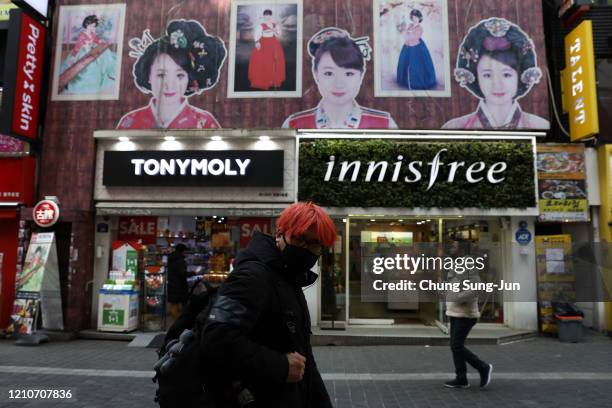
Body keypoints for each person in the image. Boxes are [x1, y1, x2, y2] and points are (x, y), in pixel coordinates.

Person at [201, 202, 337, 407]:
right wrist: (280, 365)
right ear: (280, 235)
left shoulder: (289, 278)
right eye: (300, 239)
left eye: (315, 243)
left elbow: (302, 355)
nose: (306, 249)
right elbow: (215, 339)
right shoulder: (252, 277)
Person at [117, 19, 226, 129]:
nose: (170, 85)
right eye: (161, 75)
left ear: (190, 78)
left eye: (180, 76)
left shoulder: (205, 122)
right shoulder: (129, 122)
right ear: (148, 75)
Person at [442, 17, 549, 129]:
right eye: (487, 75)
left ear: (519, 76)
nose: (497, 85)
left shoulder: (540, 126)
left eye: (507, 74)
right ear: (475, 77)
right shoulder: (454, 127)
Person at [283, 27, 397, 129]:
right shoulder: (294, 124)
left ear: (361, 75)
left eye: (348, 74)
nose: (339, 84)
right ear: (316, 74)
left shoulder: (385, 124)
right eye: (329, 73)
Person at [444, 240, 493, 389]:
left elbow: (476, 288)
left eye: (453, 246)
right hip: (456, 312)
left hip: (465, 314)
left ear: (461, 250)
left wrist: (457, 297)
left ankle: (483, 367)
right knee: (455, 346)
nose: (451, 248)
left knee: (456, 346)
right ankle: (461, 378)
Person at [59, 14, 117, 95]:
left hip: (91, 49)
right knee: (88, 66)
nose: (92, 28)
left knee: (105, 52)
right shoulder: (82, 36)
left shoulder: (92, 33)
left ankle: (109, 70)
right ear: (86, 25)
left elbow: (96, 39)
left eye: (94, 26)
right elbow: (77, 47)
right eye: (91, 26)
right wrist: (73, 57)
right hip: (83, 52)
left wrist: (100, 41)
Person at [396, 9, 437, 90]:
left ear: (419, 18)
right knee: (404, 62)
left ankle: (416, 82)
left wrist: (405, 33)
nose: (415, 19)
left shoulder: (419, 28)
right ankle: (404, 80)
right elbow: (407, 35)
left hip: (416, 47)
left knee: (416, 64)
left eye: (416, 17)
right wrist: (404, 31)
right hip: (407, 46)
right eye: (413, 17)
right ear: (411, 17)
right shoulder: (410, 25)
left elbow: (413, 37)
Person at [248, 9, 286, 90]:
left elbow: (279, 35)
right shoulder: (261, 25)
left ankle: (272, 80)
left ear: (271, 16)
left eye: (269, 15)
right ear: (264, 16)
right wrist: (257, 42)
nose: (267, 17)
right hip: (264, 43)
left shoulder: (275, 25)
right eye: (266, 15)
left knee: (274, 61)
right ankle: (264, 80)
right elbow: (257, 35)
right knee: (263, 61)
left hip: (274, 44)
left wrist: (275, 31)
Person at [167, 243, 191, 320]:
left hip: (172, 283)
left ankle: (176, 320)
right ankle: (178, 322)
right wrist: (192, 273)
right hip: (179, 285)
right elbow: (182, 273)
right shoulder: (180, 260)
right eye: (185, 251)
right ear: (182, 251)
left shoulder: (171, 258)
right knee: (180, 303)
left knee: (174, 303)